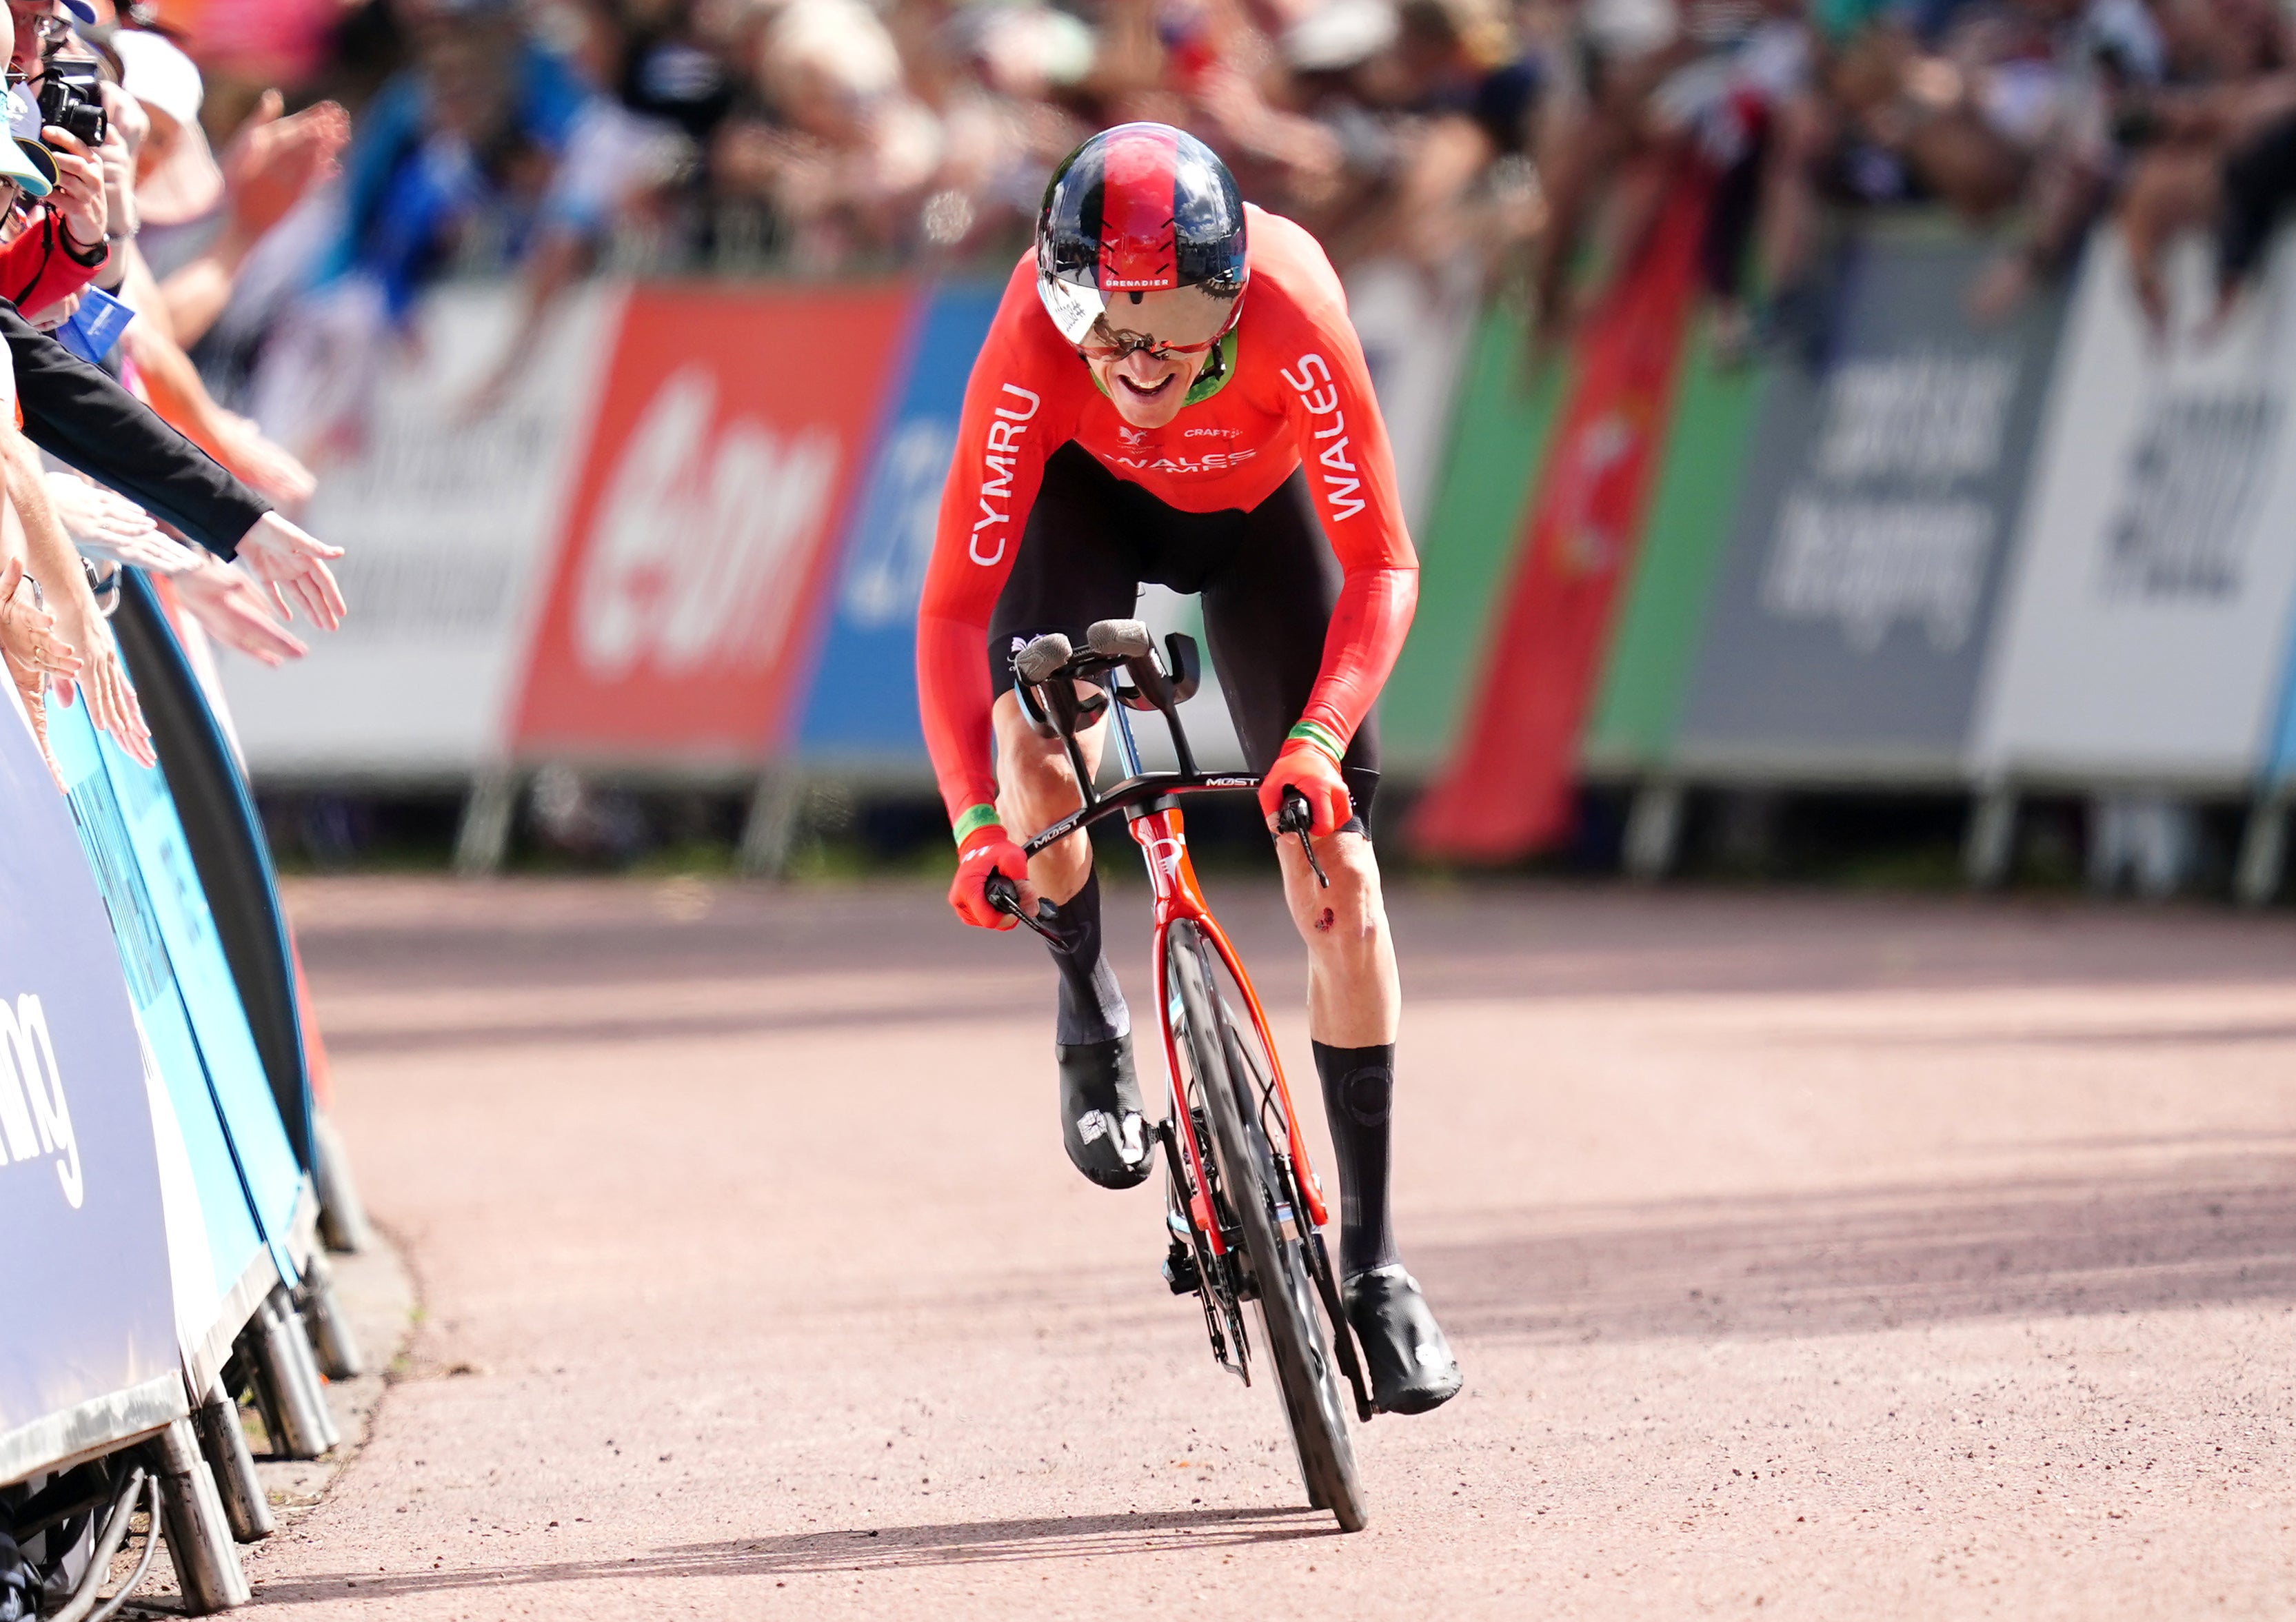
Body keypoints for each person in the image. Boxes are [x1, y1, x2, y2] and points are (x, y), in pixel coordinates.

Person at [915, 121, 1460, 1416]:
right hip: (1085, 506)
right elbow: (950, 616)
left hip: (1262, 523)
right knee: (1038, 742)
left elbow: (1383, 565)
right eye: (1108, 324)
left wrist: (1317, 739)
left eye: (1170, 322)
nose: (1137, 359)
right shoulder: (1036, 342)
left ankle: (1377, 1266)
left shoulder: (1294, 299)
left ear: (1228, 293)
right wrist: (975, 824)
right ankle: (1087, 1005)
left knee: (1341, 870)